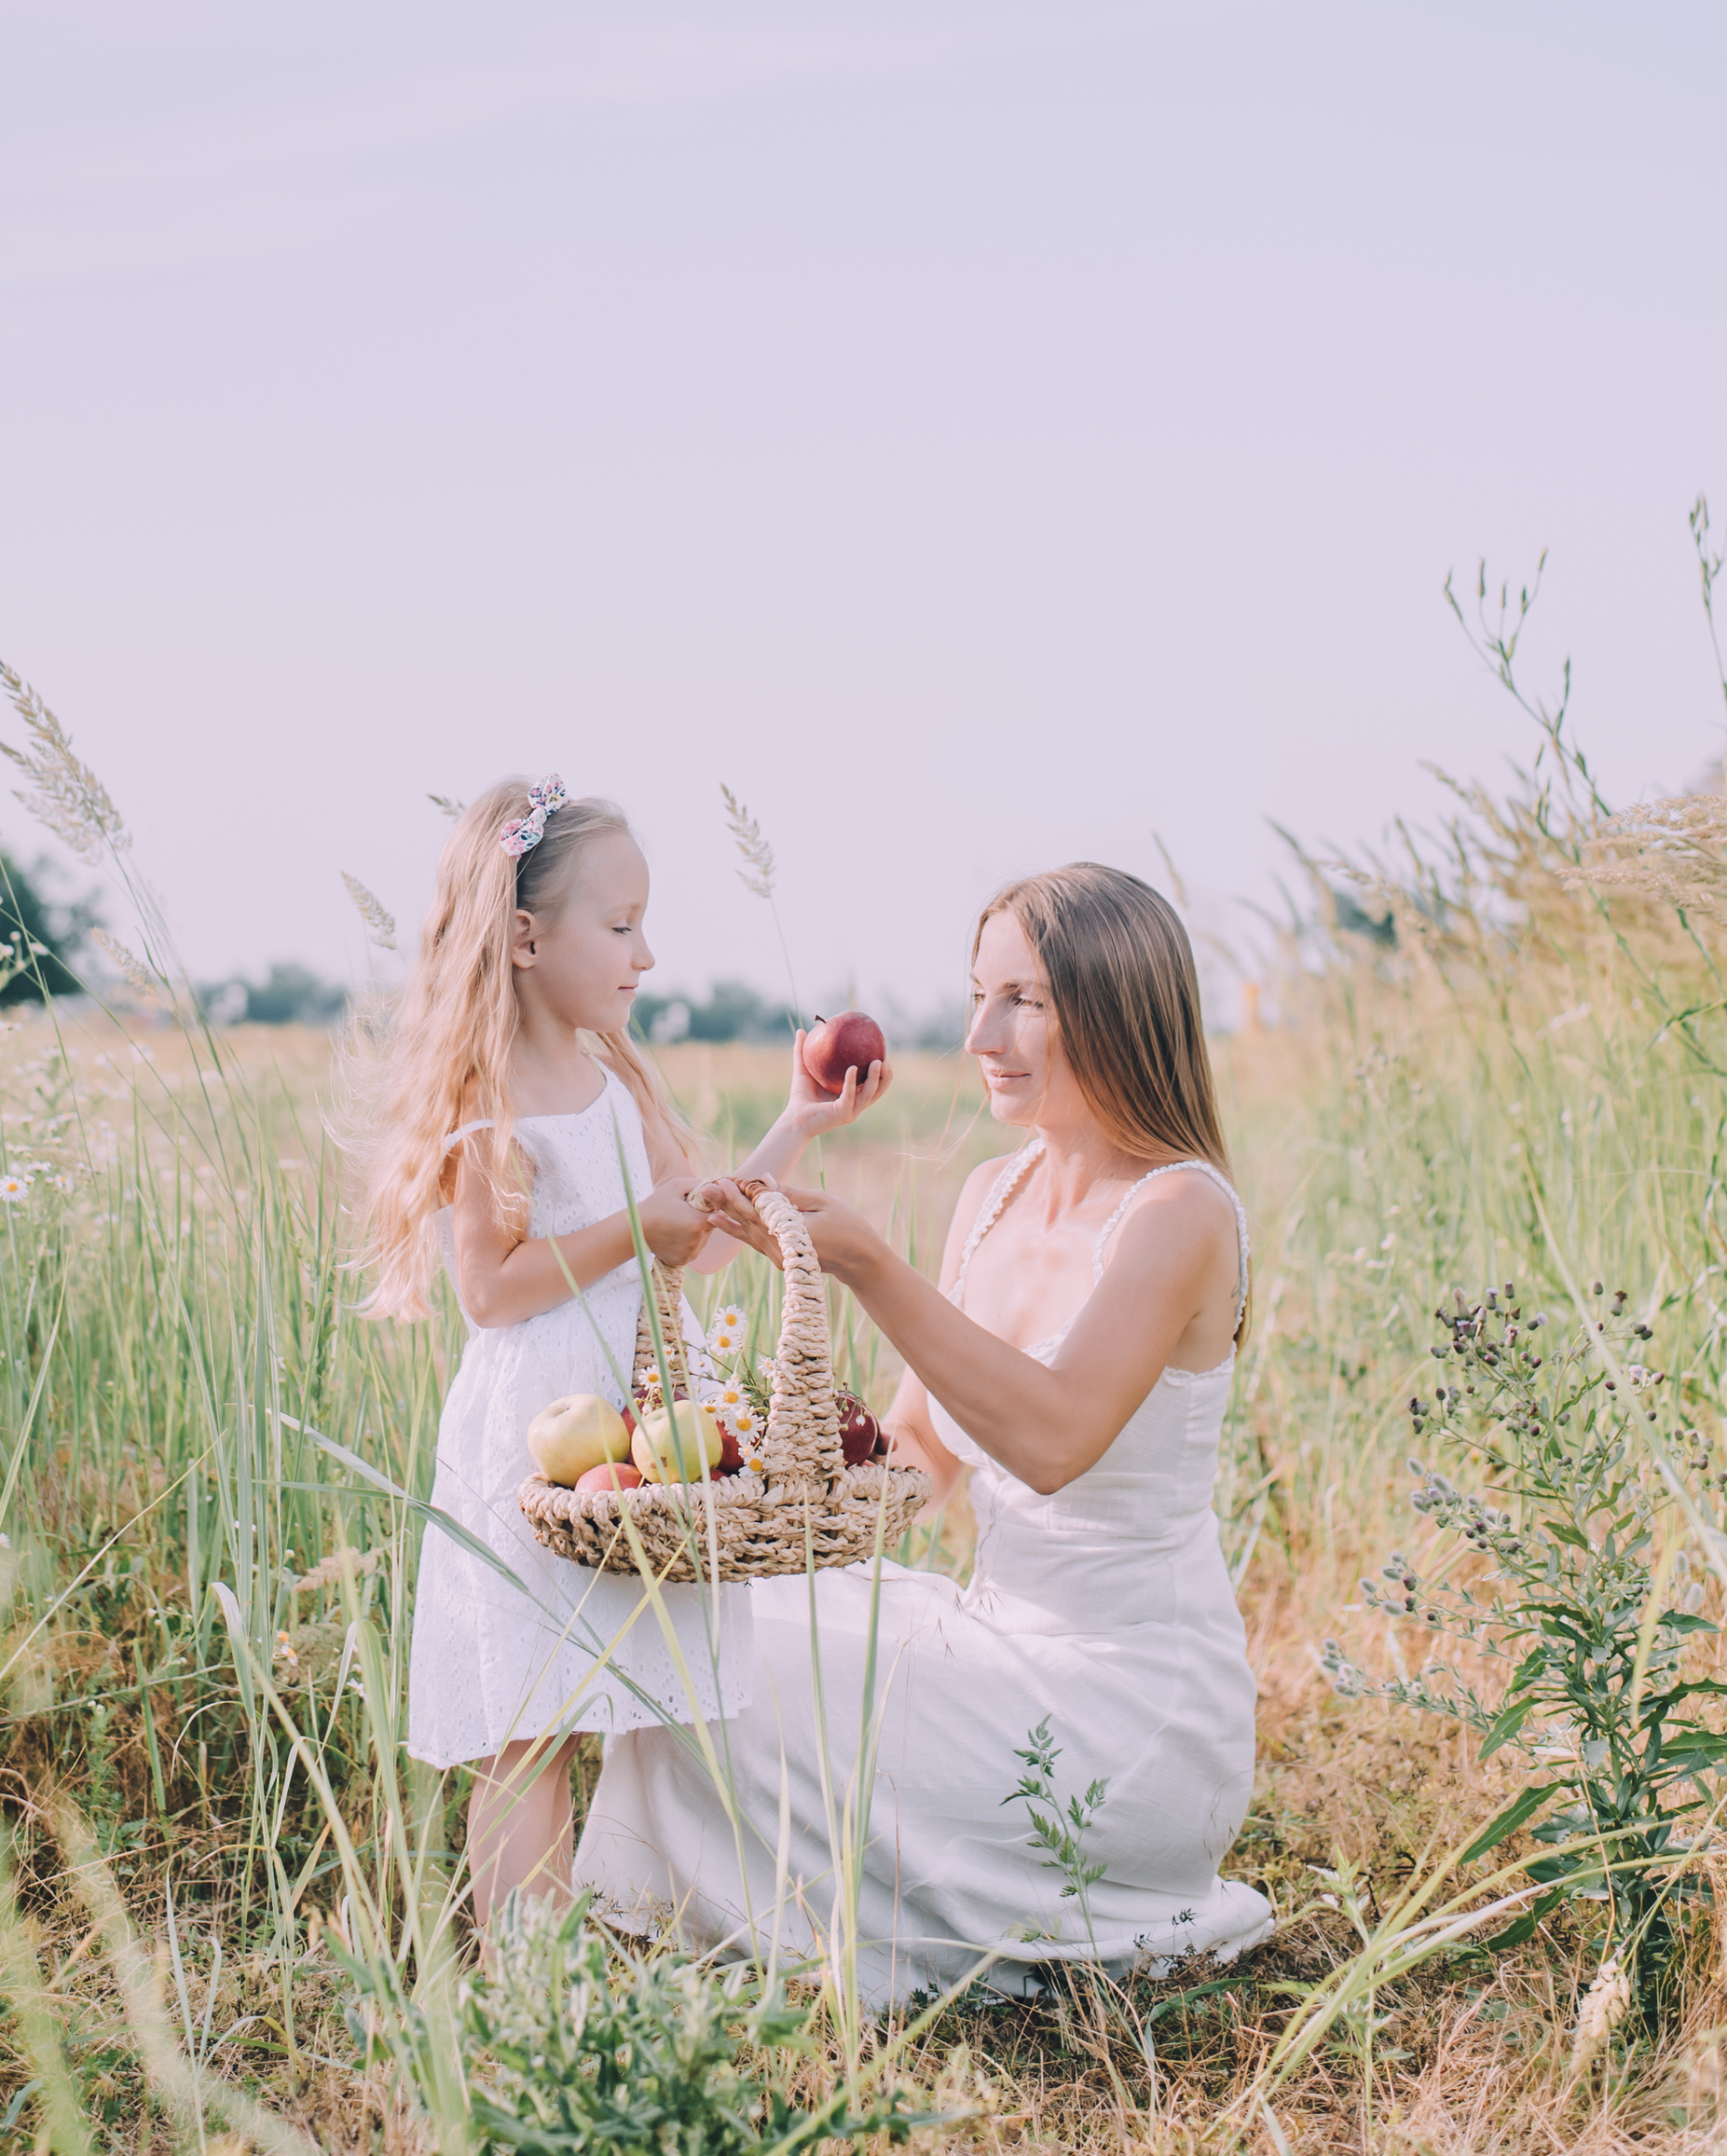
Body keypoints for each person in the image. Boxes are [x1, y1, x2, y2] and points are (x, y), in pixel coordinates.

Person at [575, 861, 1274, 2002]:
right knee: (704, 1634)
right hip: (995, 1639)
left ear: (1115, 1004)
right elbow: (918, 1450)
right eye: (977, 994)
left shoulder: (1180, 1209)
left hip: (1126, 1704)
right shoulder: (992, 1192)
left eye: (1024, 1000)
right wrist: (743, 1493)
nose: (979, 1036)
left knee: (747, 1689)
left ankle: (783, 1924)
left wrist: (867, 1265)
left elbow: (1052, 1441)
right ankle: (689, 1919)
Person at [366, 778, 889, 1927]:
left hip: (638, 1436)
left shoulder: (617, 1078)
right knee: (532, 1727)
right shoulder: (489, 1098)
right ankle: (526, 1981)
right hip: (539, 1439)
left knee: (610, 1699)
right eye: (619, 924)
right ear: (523, 937)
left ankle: (610, 1934)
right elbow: (490, 1290)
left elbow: (700, 1237)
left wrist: (795, 1124)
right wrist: (630, 1232)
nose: (645, 953)